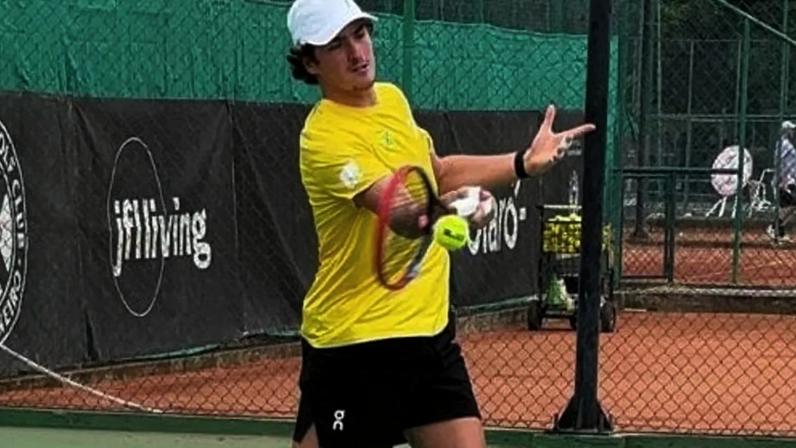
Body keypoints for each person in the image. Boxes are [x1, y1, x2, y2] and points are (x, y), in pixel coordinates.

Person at [285, 0, 595, 446]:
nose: (357, 52)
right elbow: (404, 214)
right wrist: (455, 209)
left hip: (428, 337)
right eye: (336, 45)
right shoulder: (324, 139)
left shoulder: (391, 99)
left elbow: (439, 171)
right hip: (355, 347)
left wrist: (523, 163)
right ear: (310, 62)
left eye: (359, 33)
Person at [767, 120, 796, 243]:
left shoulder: (786, 144)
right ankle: (774, 227)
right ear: (787, 131)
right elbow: (781, 163)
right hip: (785, 180)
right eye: (791, 130)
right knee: (791, 205)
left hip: (789, 179)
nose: (793, 132)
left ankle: (779, 231)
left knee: (788, 206)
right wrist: (783, 181)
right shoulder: (784, 145)